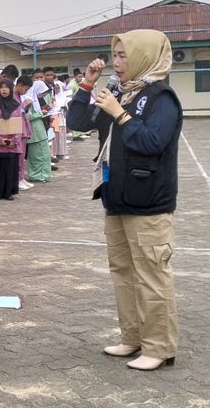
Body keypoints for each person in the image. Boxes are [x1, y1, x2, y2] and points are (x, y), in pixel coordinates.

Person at [66, 31, 181, 372]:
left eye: (123, 56)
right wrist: (87, 85)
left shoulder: (162, 97)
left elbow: (152, 142)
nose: (115, 63)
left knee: (152, 275)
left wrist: (120, 114)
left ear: (144, 56)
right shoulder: (118, 92)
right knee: (123, 272)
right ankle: (133, 337)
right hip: (116, 196)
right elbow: (78, 123)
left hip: (149, 202)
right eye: (114, 55)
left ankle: (159, 347)